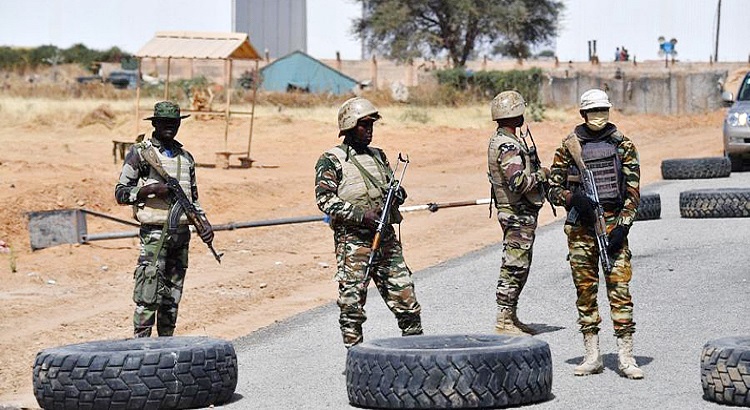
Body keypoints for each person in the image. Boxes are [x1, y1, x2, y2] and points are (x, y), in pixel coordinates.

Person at [548, 88, 644, 379]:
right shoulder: (569, 146)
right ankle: (592, 355)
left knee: (620, 290)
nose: (599, 116)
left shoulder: (623, 145)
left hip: (613, 224)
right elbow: (552, 188)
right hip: (581, 229)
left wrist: (623, 227)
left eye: (603, 110)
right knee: (585, 292)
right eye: (593, 111)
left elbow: (633, 193)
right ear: (583, 114)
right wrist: (572, 199)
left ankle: (626, 356)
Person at [315, 97, 423, 349]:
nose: (369, 130)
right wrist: (361, 215)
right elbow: (325, 200)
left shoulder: (378, 156)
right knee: (352, 307)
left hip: (385, 239)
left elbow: (390, 186)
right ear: (349, 126)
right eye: (364, 125)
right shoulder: (331, 160)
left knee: (407, 300)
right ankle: (355, 358)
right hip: (353, 244)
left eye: (372, 125)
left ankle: (416, 353)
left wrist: (397, 194)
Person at [115, 101, 214, 338]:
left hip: (181, 235)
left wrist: (204, 224)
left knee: (172, 297)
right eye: (164, 122)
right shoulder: (141, 154)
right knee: (148, 292)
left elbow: (193, 199)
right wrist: (149, 190)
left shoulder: (186, 158)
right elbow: (120, 193)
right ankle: (141, 345)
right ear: (155, 124)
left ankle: (166, 345)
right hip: (154, 234)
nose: (170, 127)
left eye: (174, 123)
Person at [487, 90, 550, 336]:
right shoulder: (507, 145)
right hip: (516, 213)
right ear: (515, 114)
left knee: (520, 265)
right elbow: (518, 183)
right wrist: (542, 175)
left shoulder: (506, 139)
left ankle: (510, 317)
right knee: (513, 266)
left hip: (518, 212)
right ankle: (503, 321)